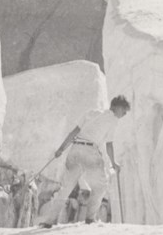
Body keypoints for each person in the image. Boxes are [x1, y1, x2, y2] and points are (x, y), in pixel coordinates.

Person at [37, 95, 130, 227]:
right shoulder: (113, 119)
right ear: (116, 107)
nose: (125, 114)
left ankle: (48, 221)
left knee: (65, 188)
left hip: (75, 150)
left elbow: (74, 132)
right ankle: (90, 219)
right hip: (90, 153)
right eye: (124, 110)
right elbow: (109, 144)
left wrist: (61, 149)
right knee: (100, 186)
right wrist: (114, 163)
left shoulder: (91, 113)